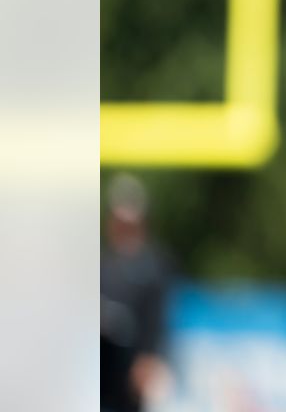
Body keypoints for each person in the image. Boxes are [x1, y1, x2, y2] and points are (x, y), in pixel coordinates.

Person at [101, 174, 175, 412]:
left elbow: (158, 316)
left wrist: (149, 357)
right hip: (104, 368)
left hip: (136, 366)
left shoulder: (154, 265)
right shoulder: (103, 263)